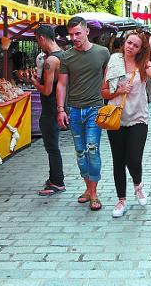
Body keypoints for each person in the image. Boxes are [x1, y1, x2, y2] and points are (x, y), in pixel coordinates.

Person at [101, 30, 151, 218]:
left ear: (139, 49)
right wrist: (118, 91)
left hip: (138, 118)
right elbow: (103, 92)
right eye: (129, 43)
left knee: (133, 158)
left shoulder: (143, 64)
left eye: (135, 45)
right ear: (124, 42)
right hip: (116, 117)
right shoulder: (114, 61)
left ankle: (138, 184)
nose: (130, 47)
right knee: (118, 160)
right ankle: (121, 200)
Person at [56, 17, 110, 211]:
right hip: (74, 110)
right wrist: (60, 109)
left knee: (92, 148)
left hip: (95, 108)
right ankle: (88, 189)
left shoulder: (103, 53)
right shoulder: (66, 56)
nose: (74, 38)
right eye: (71, 34)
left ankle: (94, 193)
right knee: (80, 152)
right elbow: (62, 84)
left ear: (87, 31)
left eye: (77, 33)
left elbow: (108, 80)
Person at [28, 25, 65, 196]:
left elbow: (47, 90)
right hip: (58, 106)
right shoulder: (63, 54)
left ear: (42, 38)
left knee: (52, 147)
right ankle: (54, 178)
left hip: (50, 109)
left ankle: (57, 182)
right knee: (53, 146)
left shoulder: (50, 61)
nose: (38, 43)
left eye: (37, 39)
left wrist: (34, 82)